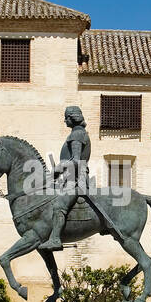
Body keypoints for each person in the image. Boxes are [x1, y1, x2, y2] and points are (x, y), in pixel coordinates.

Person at [39, 106, 90, 251]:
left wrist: (58, 168)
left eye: (66, 117)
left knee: (59, 206)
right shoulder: (77, 134)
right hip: (69, 178)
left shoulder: (77, 135)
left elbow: (75, 160)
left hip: (76, 180)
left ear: (73, 118)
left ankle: (55, 239)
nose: (64, 120)